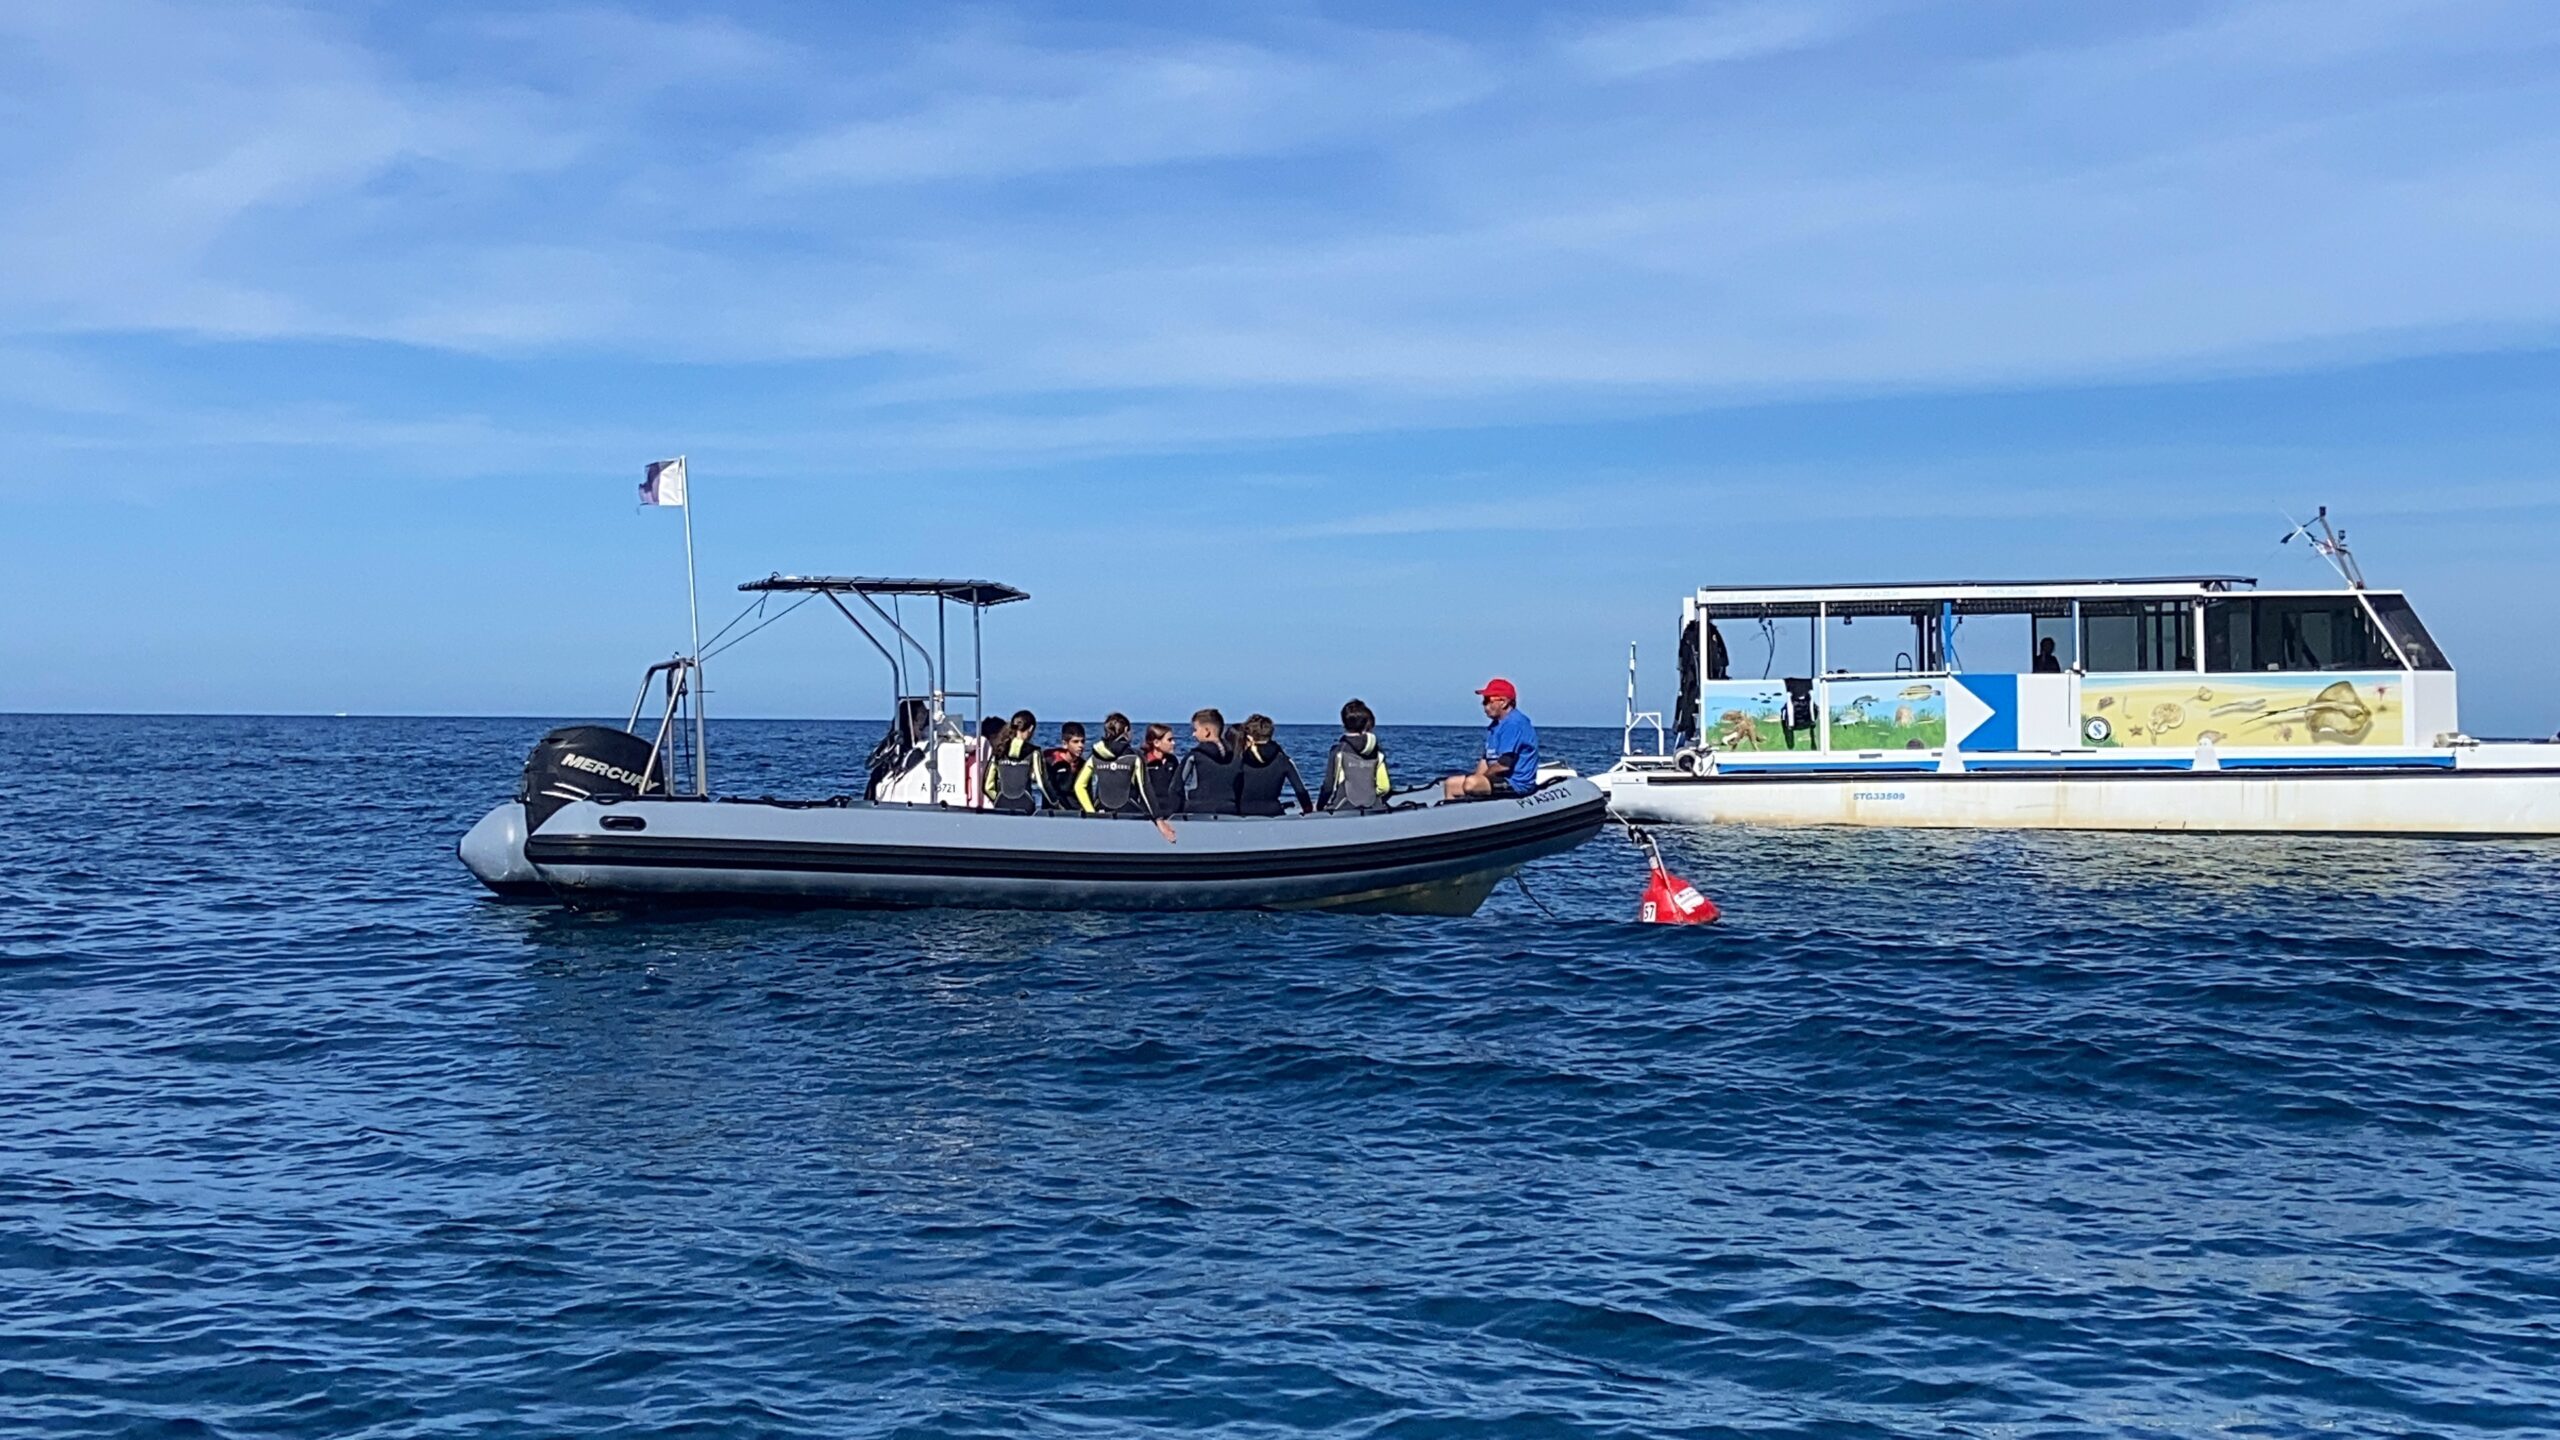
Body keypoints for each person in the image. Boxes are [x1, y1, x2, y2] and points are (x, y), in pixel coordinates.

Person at [1445, 678, 1538, 799]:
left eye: (1487, 701)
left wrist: (1480, 779)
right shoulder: (1495, 725)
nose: (1484, 705)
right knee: (1451, 783)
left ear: (1503, 702)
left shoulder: (1514, 724)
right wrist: (1478, 777)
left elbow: (1504, 765)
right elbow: (1486, 759)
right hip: (1497, 778)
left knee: (1471, 784)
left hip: (1516, 784)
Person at [1318, 699, 1391, 813]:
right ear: (1366, 722)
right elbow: (1384, 787)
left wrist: (1319, 806)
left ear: (1344, 723)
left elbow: (1328, 786)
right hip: (1373, 805)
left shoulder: (1338, 750)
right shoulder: (1377, 751)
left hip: (1342, 806)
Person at [1236, 713, 1313, 816]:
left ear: (1249, 734)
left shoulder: (1238, 760)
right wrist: (1308, 812)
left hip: (1242, 814)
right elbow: (1300, 791)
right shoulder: (1283, 760)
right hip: (1274, 812)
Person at [1176, 707, 1243, 816]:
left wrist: (1176, 812)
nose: (1193, 734)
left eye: (1195, 730)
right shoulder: (1236, 758)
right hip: (1229, 811)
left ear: (1207, 731)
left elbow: (1176, 787)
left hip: (1196, 811)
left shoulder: (1195, 756)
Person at [1075, 713, 1142, 816]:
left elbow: (1079, 786)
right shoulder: (1134, 757)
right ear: (1126, 730)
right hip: (1130, 810)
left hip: (1101, 810)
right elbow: (1143, 786)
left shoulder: (1096, 756)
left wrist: (1091, 812)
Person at [983, 709, 1045, 813]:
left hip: (1001, 803)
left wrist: (998, 798)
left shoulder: (999, 750)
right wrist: (1056, 803)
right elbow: (1042, 784)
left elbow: (987, 787)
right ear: (1031, 728)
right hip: (1026, 803)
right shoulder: (1034, 752)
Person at [1137, 722, 1183, 819]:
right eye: (1169, 740)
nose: (1173, 743)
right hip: (1148, 813)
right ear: (1156, 743)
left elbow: (1178, 787)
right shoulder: (1143, 761)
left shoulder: (1172, 761)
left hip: (1171, 813)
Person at [1042, 722, 1087, 809]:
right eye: (1075, 742)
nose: (1080, 745)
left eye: (1083, 741)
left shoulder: (1083, 765)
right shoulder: (1051, 762)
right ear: (1065, 744)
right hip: (1053, 810)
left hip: (1077, 811)